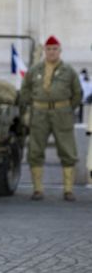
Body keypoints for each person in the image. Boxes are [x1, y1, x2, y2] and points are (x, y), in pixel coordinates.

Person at [20, 35, 82, 201]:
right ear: (45, 51)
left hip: (62, 114)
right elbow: (25, 89)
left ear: (60, 51)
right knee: (35, 150)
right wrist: (30, 105)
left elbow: (77, 94)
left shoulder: (69, 71)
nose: (52, 52)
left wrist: (67, 109)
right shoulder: (34, 70)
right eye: (48, 49)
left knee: (67, 150)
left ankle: (68, 190)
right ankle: (38, 190)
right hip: (39, 114)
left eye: (55, 49)